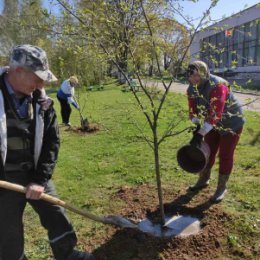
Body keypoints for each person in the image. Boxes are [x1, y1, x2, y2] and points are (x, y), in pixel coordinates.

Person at [0, 44, 95, 260]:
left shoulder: (42, 101)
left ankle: (67, 253)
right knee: (8, 233)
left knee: (56, 216)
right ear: (17, 72)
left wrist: (40, 180)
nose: (42, 84)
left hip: (34, 172)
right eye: (37, 77)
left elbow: (52, 142)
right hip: (3, 180)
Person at [186, 60, 245, 202]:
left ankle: (221, 187)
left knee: (225, 154)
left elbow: (215, 114)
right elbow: (193, 110)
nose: (192, 79)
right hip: (211, 124)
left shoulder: (218, 85)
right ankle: (203, 179)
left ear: (203, 73)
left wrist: (202, 132)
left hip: (231, 123)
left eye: (195, 75)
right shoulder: (191, 89)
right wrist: (196, 127)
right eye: (190, 75)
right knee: (208, 151)